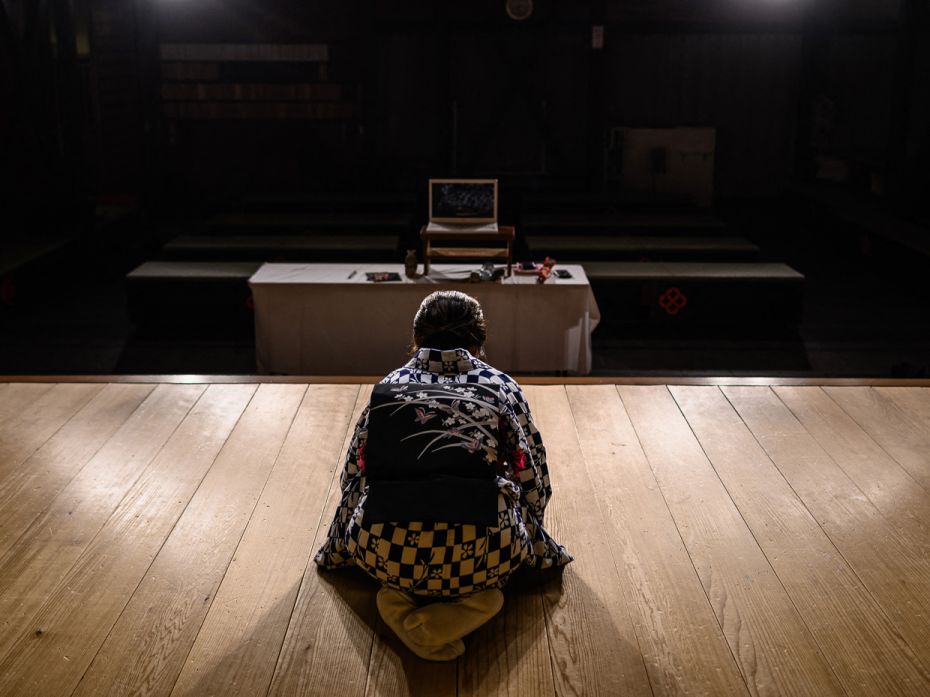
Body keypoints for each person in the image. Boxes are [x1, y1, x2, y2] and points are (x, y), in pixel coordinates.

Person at [315, 290, 572, 660]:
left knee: (378, 529)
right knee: (494, 577)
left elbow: (353, 476)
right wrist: (526, 531)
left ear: (417, 337)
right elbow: (534, 481)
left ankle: (397, 597)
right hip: (485, 553)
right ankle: (471, 600)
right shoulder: (500, 387)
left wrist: (348, 536)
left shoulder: (388, 387)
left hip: (384, 551)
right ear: (479, 340)